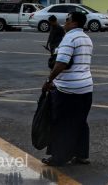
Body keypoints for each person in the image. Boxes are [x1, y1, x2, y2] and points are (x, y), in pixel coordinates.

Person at [42, 10, 94, 166]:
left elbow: (62, 63)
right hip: (86, 88)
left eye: (68, 20)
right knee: (80, 122)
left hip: (68, 89)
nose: (65, 22)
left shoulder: (69, 38)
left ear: (75, 23)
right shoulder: (87, 38)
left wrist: (49, 80)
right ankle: (81, 155)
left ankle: (59, 157)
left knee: (61, 122)